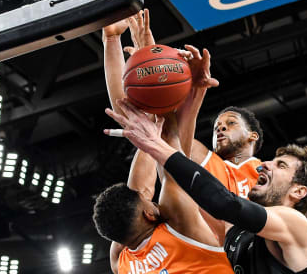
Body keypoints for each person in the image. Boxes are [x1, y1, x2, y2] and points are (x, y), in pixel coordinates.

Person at [102, 9, 307, 256]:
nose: (220, 128)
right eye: (218, 124)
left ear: (253, 136)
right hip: (204, 253)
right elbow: (158, 127)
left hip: (249, 260)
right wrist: (147, 58)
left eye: (230, 123)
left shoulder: (274, 179)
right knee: (146, 157)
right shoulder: (206, 161)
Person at [104, 99, 307, 274]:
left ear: (298, 191)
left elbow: (224, 203)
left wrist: (155, 144)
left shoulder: (296, 224)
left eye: (280, 165)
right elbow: (164, 183)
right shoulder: (235, 232)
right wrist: (185, 92)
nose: (265, 165)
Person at [93, 114, 234, 274]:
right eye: (149, 202)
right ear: (149, 215)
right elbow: (171, 148)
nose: (153, 202)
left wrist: (147, 134)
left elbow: (139, 194)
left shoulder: (120, 263)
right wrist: (158, 111)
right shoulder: (178, 224)